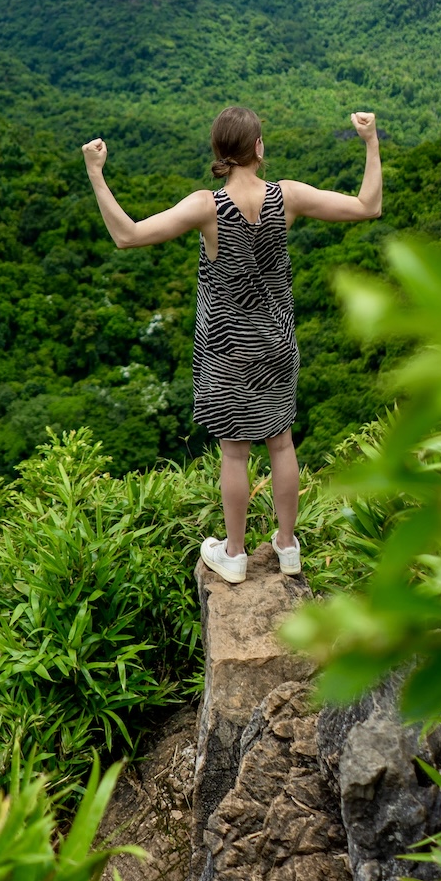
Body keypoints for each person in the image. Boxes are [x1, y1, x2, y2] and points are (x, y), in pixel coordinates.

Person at [81, 107, 382, 584]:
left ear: (220, 153)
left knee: (236, 454)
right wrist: (370, 141)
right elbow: (368, 206)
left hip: (227, 353)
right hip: (278, 345)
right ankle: (287, 546)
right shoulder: (290, 196)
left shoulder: (207, 206)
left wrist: (96, 174)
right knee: (281, 444)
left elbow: (127, 235)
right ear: (258, 149)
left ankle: (235, 554)